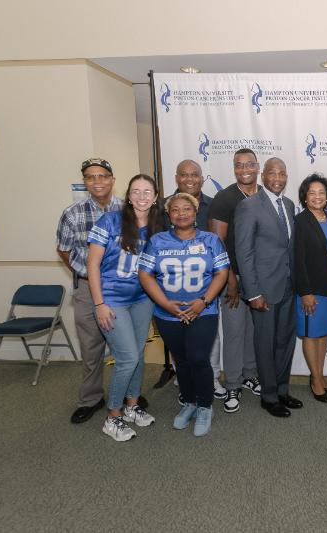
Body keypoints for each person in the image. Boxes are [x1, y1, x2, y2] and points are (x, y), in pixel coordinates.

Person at [57, 158, 142, 424]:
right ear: (84, 182)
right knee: (92, 347)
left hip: (124, 289)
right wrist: (86, 273)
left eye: (103, 176)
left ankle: (130, 395)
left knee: (128, 348)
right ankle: (91, 399)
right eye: (91, 177)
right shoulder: (73, 213)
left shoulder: (128, 210)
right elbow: (64, 249)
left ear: (112, 180)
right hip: (87, 288)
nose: (97, 181)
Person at [138, 193, 229, 437]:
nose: (181, 213)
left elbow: (222, 272)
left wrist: (203, 301)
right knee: (181, 360)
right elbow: (145, 274)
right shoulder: (157, 241)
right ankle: (189, 402)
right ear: (169, 214)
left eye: (187, 208)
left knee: (198, 358)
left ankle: (205, 406)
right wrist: (166, 304)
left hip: (203, 310)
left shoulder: (210, 240)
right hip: (168, 313)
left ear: (195, 212)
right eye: (176, 209)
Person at [87, 174, 164, 441]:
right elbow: (92, 264)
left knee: (138, 354)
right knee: (128, 357)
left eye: (147, 192)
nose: (142, 196)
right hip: (112, 300)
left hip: (142, 299)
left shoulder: (157, 227)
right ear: (129, 196)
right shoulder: (110, 221)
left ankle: (132, 405)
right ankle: (113, 416)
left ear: (155, 197)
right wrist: (99, 303)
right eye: (136, 191)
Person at [234, 157, 302, 418]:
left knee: (285, 341)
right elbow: (244, 252)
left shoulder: (289, 204)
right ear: (263, 176)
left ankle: (282, 390)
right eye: (272, 173)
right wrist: (253, 292)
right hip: (263, 290)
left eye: (282, 173)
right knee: (265, 344)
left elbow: (287, 247)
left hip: (288, 286)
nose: (277, 178)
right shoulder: (249, 206)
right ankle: (269, 396)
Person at [163, 160, 227, 403]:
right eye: (184, 175)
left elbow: (220, 243)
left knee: (210, 337)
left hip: (206, 286)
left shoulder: (214, 204)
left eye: (194, 175)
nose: (189, 179)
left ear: (201, 178)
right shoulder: (163, 207)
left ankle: (212, 378)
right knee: (178, 338)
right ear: (176, 178)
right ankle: (185, 380)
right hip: (172, 287)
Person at [206, 149, 262, 413]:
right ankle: (233, 384)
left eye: (249, 164)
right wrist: (230, 281)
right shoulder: (225, 198)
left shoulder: (264, 196)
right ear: (234, 168)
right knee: (234, 332)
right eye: (239, 165)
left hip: (259, 278)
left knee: (252, 331)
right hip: (234, 278)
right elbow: (218, 245)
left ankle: (250, 375)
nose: (245, 169)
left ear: (257, 166)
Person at [294, 174, 327, 403]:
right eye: (312, 193)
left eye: (322, 192)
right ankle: (315, 380)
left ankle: (319, 375)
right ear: (305, 197)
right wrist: (305, 293)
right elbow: (297, 260)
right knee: (311, 335)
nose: (317, 196)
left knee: (322, 333)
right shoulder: (300, 222)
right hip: (310, 290)